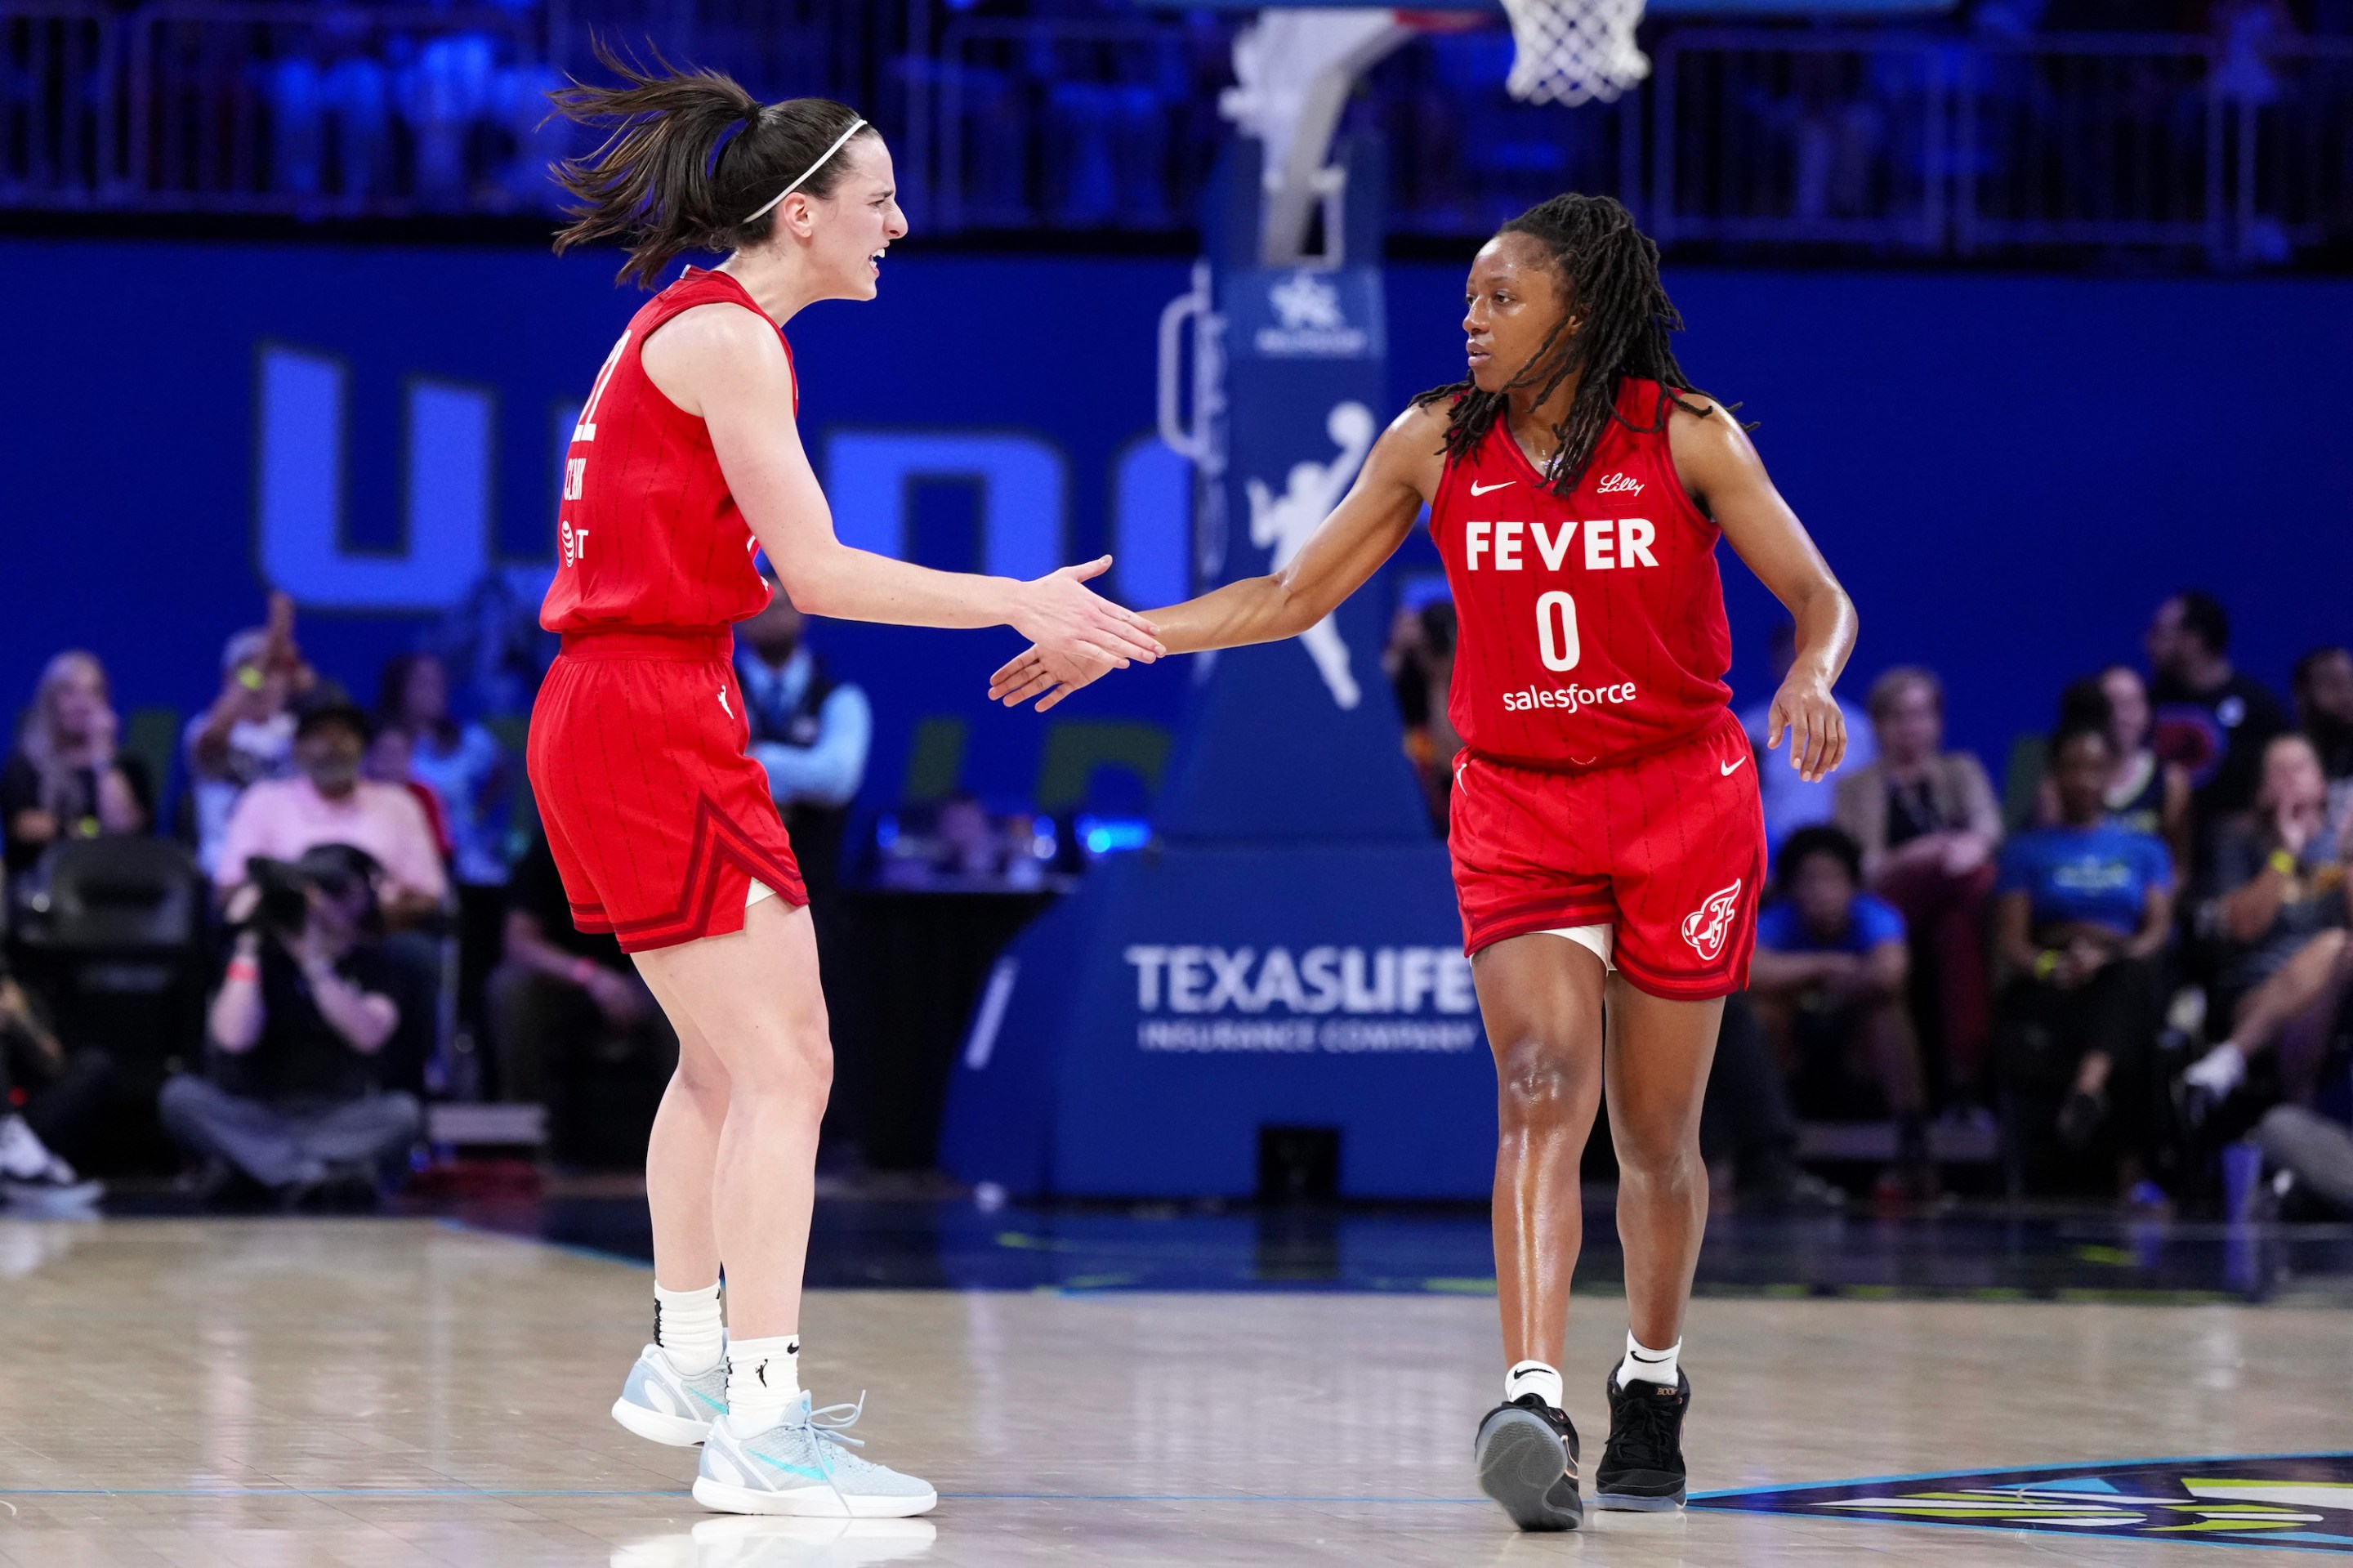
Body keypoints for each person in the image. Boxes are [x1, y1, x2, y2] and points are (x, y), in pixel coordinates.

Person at [991, 191, 1856, 1531]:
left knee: (1658, 1139)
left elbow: (1820, 593)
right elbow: (1289, 597)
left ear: (1578, 304)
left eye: (1502, 297)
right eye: (1468, 295)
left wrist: (1812, 668)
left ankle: (1653, 1376)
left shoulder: (1688, 435)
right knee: (1536, 1085)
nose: (1472, 316)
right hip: (1518, 803)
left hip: (1682, 799)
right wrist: (1130, 633)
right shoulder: (1433, 441)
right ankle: (1532, 1397)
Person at [533, 50, 1159, 1519]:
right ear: (802, 213)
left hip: (628, 701)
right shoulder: (732, 339)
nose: (900, 224)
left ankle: (691, 1363)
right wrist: (1015, 597)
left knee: (728, 1060)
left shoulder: (686, 327)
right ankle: (760, 1414)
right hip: (646, 704)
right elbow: (813, 576)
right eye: (879, 200)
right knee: (789, 1065)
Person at [159, 846, 427, 1208]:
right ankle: (308, 1175)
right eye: (314, 890)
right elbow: (234, 1038)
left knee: (402, 1114)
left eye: (336, 891)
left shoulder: (382, 963)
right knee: (180, 1098)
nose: (324, 903)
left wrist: (314, 963)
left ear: (363, 897)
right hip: (254, 1111)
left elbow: (368, 1036)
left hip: (339, 1117)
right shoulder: (259, 959)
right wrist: (250, 940)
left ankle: (259, 1169)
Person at [1993, 723, 2176, 1197]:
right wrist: (2058, 966)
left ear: (2112, 775)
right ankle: (2132, 1172)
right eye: (2072, 768)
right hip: (2053, 978)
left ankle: (2088, 1089)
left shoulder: (2145, 849)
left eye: (2095, 768)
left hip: (2120, 968)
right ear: (2054, 774)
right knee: (2128, 1015)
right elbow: (2012, 942)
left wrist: (2109, 957)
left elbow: (2156, 930)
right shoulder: (2025, 850)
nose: (2083, 780)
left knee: (2131, 983)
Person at [1833, 665, 2003, 1110]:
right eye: (1898, 716)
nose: (1911, 728)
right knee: (1967, 883)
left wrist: (1966, 849)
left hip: (1947, 908)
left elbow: (1987, 830)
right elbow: (1858, 869)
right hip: (1886, 906)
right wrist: (1923, 853)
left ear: (1938, 721)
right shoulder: (1855, 788)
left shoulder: (1960, 771)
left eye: (1922, 715)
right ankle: (1963, 1084)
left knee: (1957, 931)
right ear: (1878, 724)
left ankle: (1962, 1080)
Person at [1746, 825, 1931, 1199]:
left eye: (1832, 879)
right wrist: (1827, 966)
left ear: (1852, 884)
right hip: (1794, 1054)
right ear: (1791, 888)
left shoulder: (1874, 915)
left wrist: (1832, 986)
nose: (1822, 892)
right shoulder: (1778, 920)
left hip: (1856, 1054)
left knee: (1888, 1011)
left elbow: (1890, 973)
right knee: (1762, 1011)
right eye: (1809, 881)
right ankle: (1764, 1147)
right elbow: (1749, 972)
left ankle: (1911, 1141)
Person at [2182, 734, 2353, 1109]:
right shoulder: (2237, 839)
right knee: (2335, 945)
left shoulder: (2340, 840)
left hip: (2336, 994)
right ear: (2261, 789)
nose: (2290, 777)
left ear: (2322, 783)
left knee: (2342, 949)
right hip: (2258, 993)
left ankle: (2234, 1062)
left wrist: (2349, 854)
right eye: (2278, 771)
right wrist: (2285, 853)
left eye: (2300, 767)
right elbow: (2244, 925)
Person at [490, 830, 677, 1168]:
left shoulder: (665, 841)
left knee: (692, 1001)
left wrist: (649, 981)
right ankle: (527, 1141)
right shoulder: (552, 845)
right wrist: (591, 978)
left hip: (653, 973)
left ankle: (685, 1143)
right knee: (511, 991)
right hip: (568, 980)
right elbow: (520, 943)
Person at [214, 702, 449, 928]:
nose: (334, 744)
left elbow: (428, 893)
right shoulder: (263, 800)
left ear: (362, 746)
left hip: (378, 935)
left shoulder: (398, 804)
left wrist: (362, 922)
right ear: (296, 746)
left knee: (413, 957)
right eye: (319, 734)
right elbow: (229, 888)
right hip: (280, 934)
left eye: (345, 734)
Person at [378, 651, 509, 1047]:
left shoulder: (469, 741)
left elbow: (504, 771)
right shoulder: (385, 743)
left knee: (482, 922)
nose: (432, 692)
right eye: (421, 683)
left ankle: (469, 1033)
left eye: (438, 683)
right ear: (400, 688)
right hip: (399, 865)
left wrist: (479, 821)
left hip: (461, 863)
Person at [181, 595, 320, 877]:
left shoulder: (301, 731)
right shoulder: (204, 728)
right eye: (249, 672)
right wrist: (268, 653)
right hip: (226, 868)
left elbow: (338, 727)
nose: (260, 684)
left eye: (272, 673)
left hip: (294, 865)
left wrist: (295, 669)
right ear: (226, 681)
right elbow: (212, 741)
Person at [2145, 590, 2288, 857]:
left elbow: (2287, 782)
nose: (2147, 643)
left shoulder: (2258, 705)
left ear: (2193, 640)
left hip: (2238, 852)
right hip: (2159, 847)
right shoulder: (2147, 703)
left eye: (2159, 632)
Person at [2, 650, 154, 880]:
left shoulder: (127, 768)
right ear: (50, 702)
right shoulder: (25, 764)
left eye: (93, 692)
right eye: (70, 693)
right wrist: (90, 829)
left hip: (111, 887)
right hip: (40, 885)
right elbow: (26, 826)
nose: (82, 705)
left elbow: (126, 830)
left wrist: (103, 762)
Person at [1739, 619, 1875, 858]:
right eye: (1791, 656)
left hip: (1846, 859)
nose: (1801, 668)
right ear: (1775, 662)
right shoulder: (1747, 731)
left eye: (1809, 656)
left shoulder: (1863, 730)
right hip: (1771, 862)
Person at [2038, 668, 2193, 873]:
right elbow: (2045, 852)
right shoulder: (2059, 778)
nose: (2123, 716)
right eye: (2113, 704)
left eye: (2133, 704)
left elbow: (2178, 867)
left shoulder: (2170, 780)